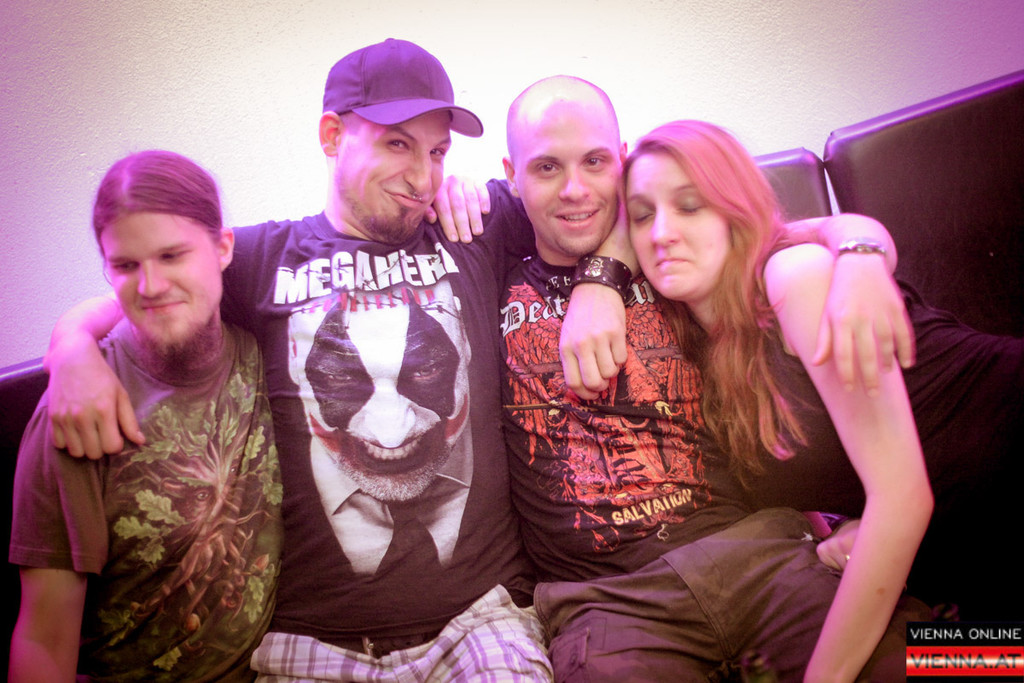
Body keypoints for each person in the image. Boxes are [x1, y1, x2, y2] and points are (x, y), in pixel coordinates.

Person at [40, 38, 593, 682]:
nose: (422, 178)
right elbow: (150, 290)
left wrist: (602, 285)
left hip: (479, 623)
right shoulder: (261, 259)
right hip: (312, 645)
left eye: (437, 151)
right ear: (332, 135)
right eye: (397, 144)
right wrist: (71, 345)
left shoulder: (472, 227)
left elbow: (619, 200)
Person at [492, 77, 929, 682]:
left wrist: (860, 250)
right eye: (546, 167)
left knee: (978, 660)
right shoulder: (481, 273)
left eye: (594, 161)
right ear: (512, 176)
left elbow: (786, 232)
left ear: (620, 160)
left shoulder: (685, 263)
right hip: (611, 603)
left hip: (765, 554)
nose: (575, 189)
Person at [624, 120, 936, 681]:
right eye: (643, 215)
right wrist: (845, 523)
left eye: (690, 206)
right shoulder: (710, 358)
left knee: (985, 662)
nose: (662, 233)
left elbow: (904, 496)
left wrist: (824, 678)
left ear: (734, 212)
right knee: (968, 658)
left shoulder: (794, 275)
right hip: (947, 561)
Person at [8, 150, 282, 682]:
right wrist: (72, 346)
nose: (151, 285)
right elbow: (44, 637)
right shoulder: (78, 410)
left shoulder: (265, 346)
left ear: (223, 248)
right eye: (126, 266)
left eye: (172, 256)